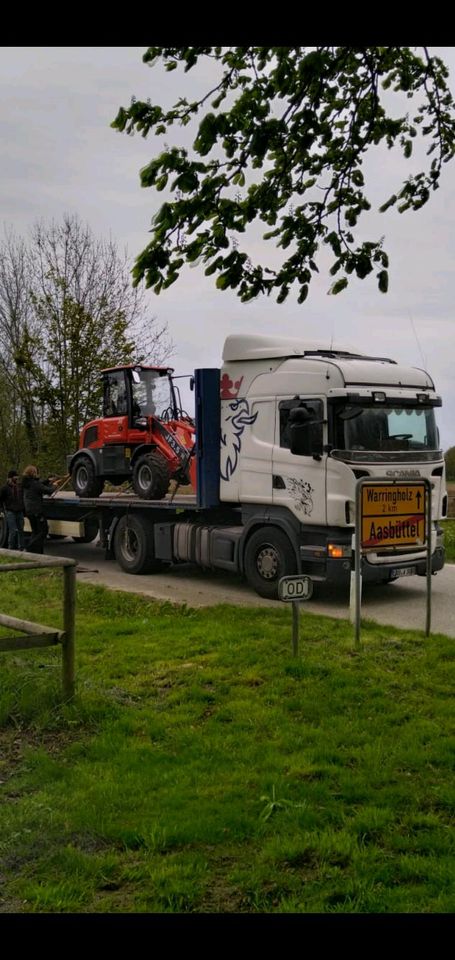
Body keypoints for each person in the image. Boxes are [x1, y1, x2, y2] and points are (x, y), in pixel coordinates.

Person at [22, 465, 58, 554]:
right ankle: (30, 547)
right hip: (37, 511)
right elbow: (48, 490)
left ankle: (36, 552)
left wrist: (48, 480)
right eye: (36, 472)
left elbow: (39, 484)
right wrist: (54, 486)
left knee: (35, 531)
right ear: (33, 473)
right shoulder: (34, 484)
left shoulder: (26, 483)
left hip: (29, 511)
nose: (37, 474)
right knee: (43, 531)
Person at [0, 468, 25, 550]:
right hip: (10, 511)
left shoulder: (20, 486)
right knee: (13, 530)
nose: (17, 479)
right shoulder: (5, 488)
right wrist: (1, 510)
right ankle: (11, 548)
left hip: (20, 511)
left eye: (17, 477)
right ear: (10, 478)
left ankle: (21, 547)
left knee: (21, 530)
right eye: (15, 477)